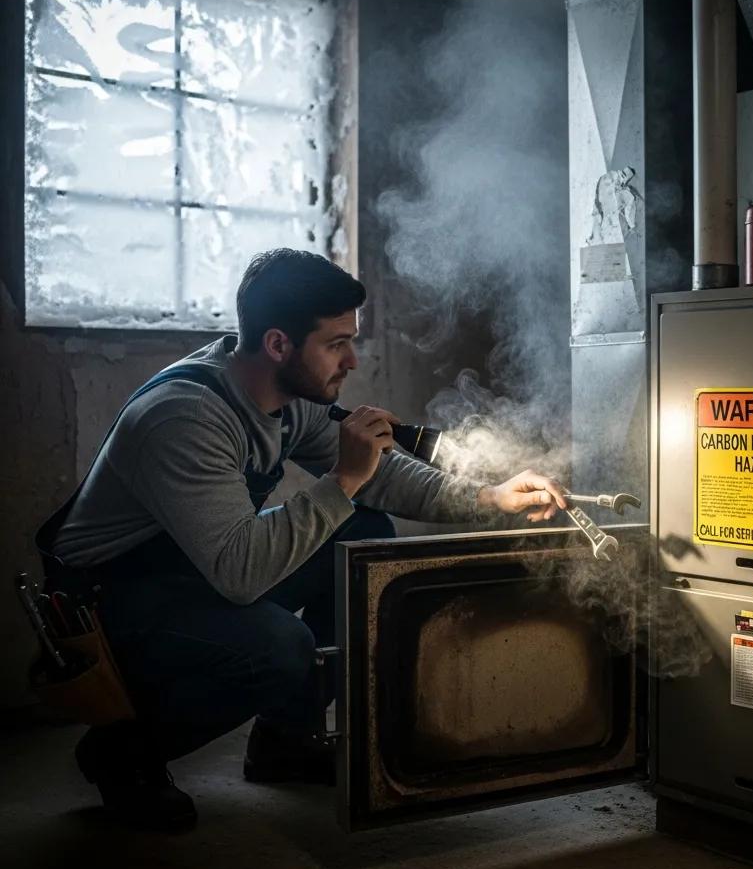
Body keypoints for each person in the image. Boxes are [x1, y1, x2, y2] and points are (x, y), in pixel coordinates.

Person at [37, 248, 567, 832]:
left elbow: (381, 474)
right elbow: (241, 572)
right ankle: (121, 754)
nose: (353, 361)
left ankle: (285, 741)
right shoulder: (184, 418)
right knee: (279, 647)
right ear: (278, 345)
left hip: (193, 571)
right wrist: (343, 479)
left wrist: (490, 499)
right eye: (336, 343)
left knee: (362, 534)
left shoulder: (289, 401)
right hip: (112, 606)